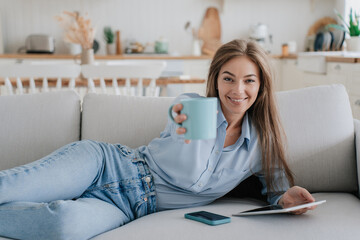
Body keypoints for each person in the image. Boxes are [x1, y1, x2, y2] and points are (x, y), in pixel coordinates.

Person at [0, 39, 316, 240]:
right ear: (215, 81)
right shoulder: (192, 106)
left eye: (249, 81)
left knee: (62, 226)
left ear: (261, 86)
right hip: (106, 165)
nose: (238, 90)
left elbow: (277, 191)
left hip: (128, 207)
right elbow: (192, 176)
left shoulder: (261, 143)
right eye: (228, 78)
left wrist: (286, 198)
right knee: (9, 186)